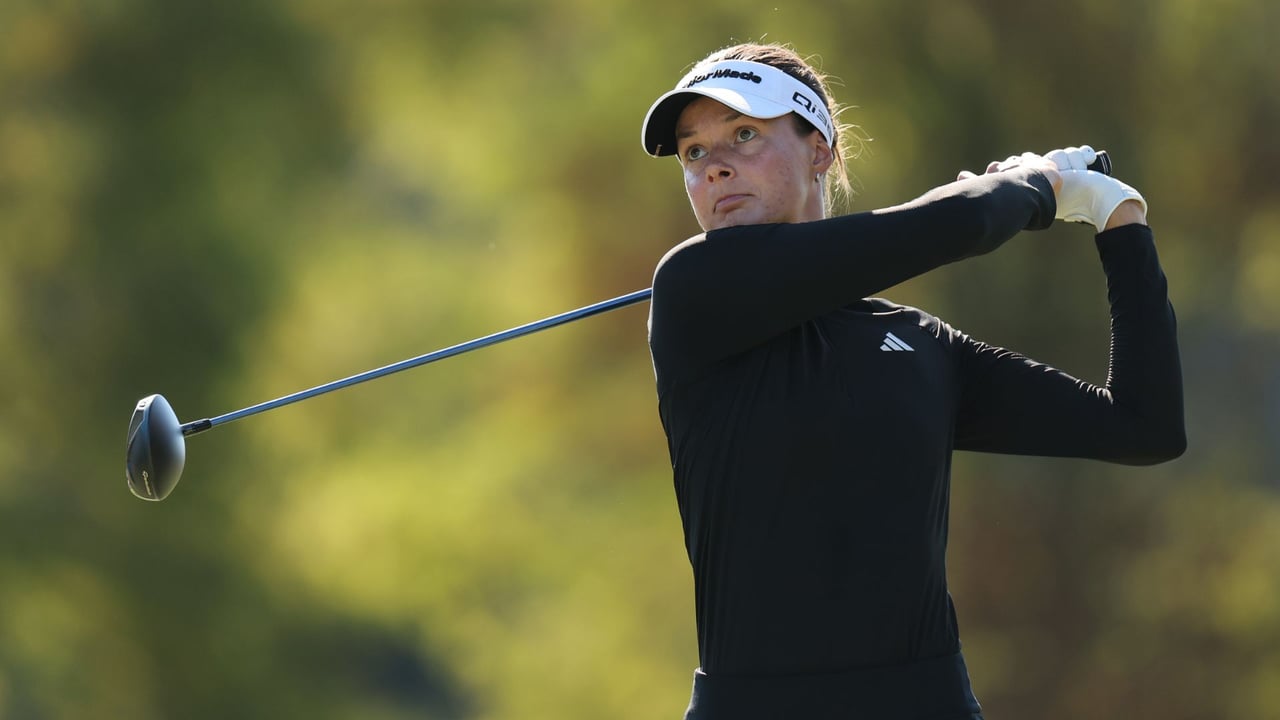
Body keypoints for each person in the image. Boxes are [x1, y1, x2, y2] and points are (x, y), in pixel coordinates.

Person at [640, 42, 1185, 720]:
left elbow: (1144, 425)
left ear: (820, 150)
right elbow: (966, 220)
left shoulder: (919, 345)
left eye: (744, 134)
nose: (715, 166)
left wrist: (1121, 223)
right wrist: (1036, 184)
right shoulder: (693, 289)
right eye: (694, 152)